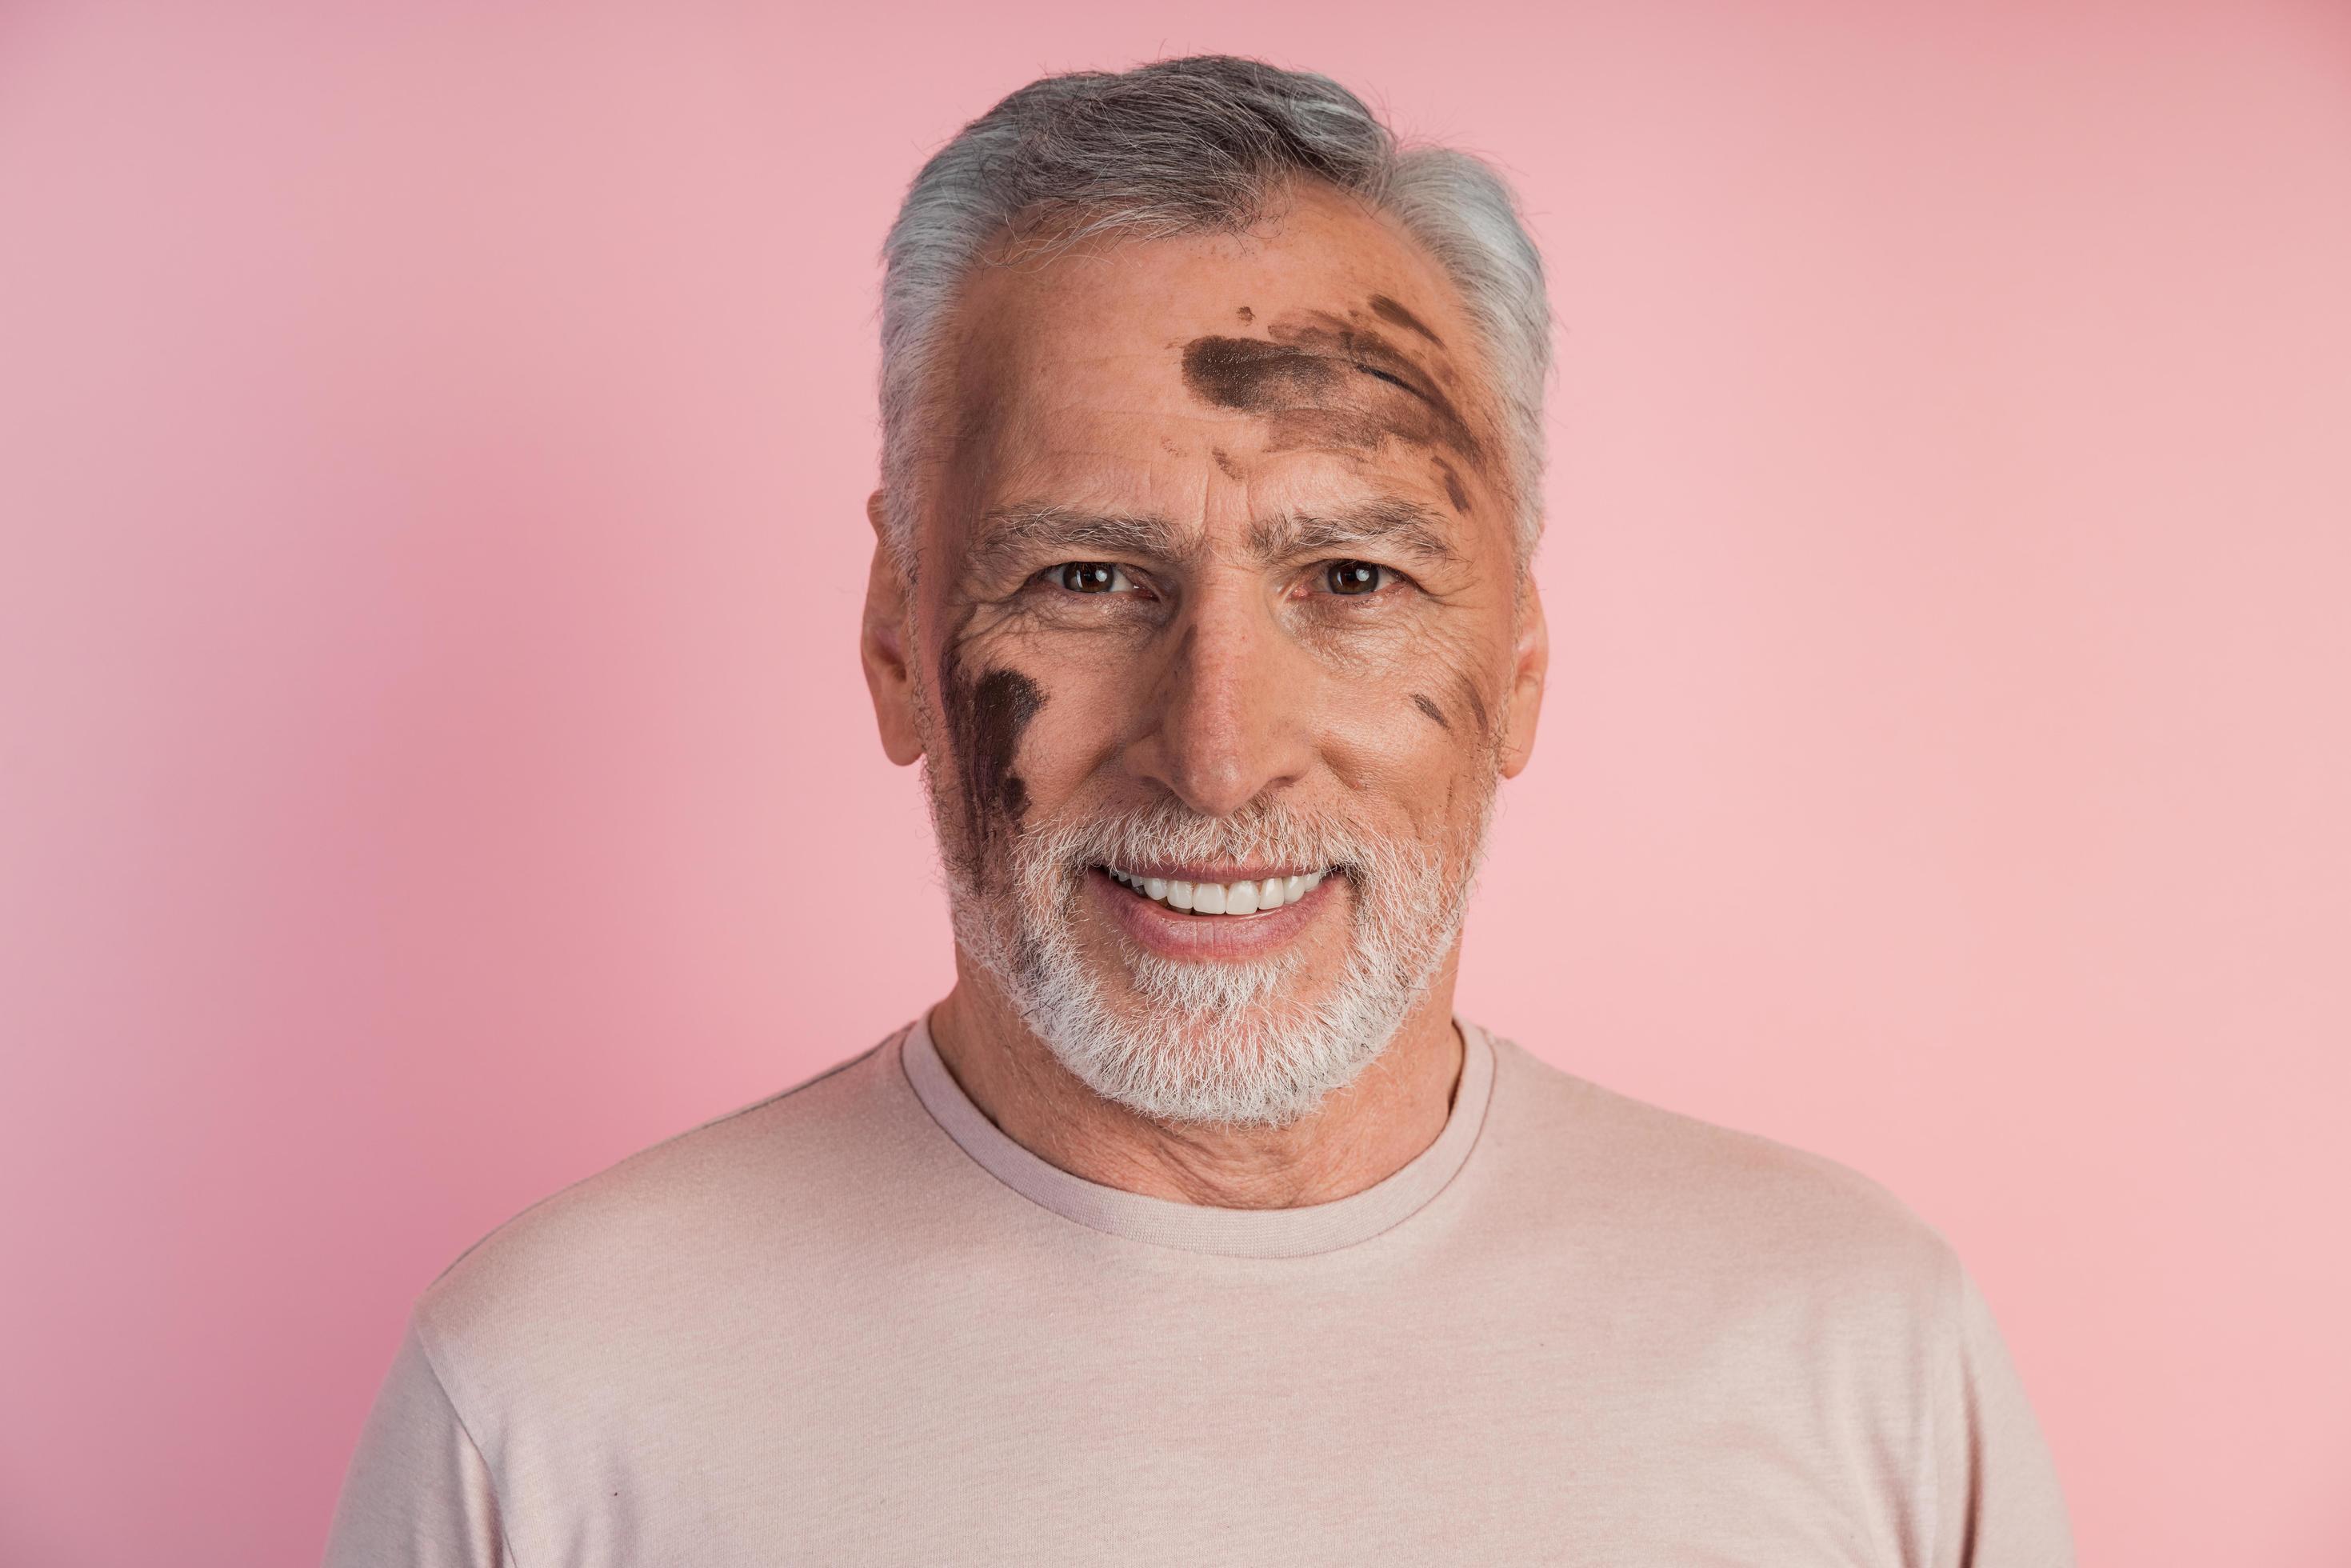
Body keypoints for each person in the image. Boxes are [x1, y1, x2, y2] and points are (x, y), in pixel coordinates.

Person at [326, 54, 2073, 1565]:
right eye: (1086, 574)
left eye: (1354, 573)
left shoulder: (1859, 1353)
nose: (1219, 754)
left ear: (1521, 657)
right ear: (893, 633)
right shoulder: (551, 1397)